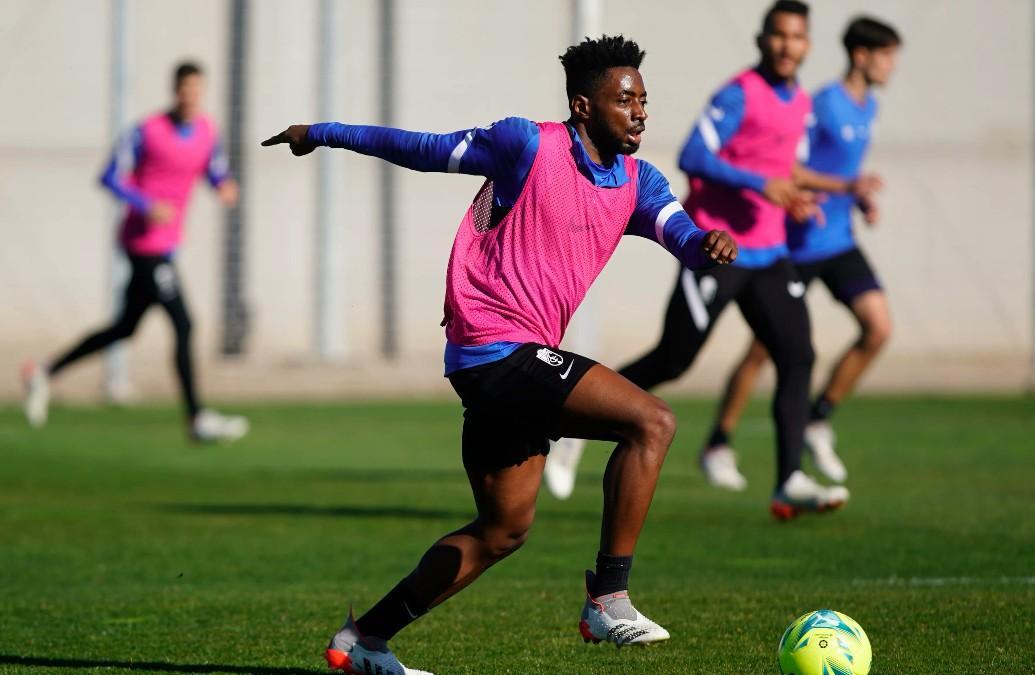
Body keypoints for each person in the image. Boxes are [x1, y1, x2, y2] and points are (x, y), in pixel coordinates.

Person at [263, 35, 737, 674]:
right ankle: (609, 596)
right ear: (583, 106)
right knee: (653, 422)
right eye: (626, 100)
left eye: (645, 100)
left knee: (503, 530)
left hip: (507, 366)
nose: (641, 112)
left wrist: (705, 243)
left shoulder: (638, 181)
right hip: (495, 348)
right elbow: (424, 149)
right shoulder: (527, 145)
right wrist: (323, 132)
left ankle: (363, 640)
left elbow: (677, 233)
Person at [544, 1, 877, 520]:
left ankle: (789, 478)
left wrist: (820, 191)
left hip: (769, 253)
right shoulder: (738, 93)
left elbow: (782, 166)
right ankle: (570, 427)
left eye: (798, 37)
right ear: (763, 39)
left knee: (797, 354)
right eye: (780, 35)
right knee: (674, 359)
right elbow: (694, 156)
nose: (789, 45)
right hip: (718, 251)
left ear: (809, 45)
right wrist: (758, 183)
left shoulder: (797, 104)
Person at [703, 16, 902, 487]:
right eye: (887, 55)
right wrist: (826, 190)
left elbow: (841, 172)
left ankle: (819, 416)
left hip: (838, 241)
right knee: (765, 351)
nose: (893, 66)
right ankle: (719, 442)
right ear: (861, 55)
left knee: (878, 327)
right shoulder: (823, 106)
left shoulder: (868, 106)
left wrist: (858, 198)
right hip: (796, 242)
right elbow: (788, 167)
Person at [20, 61, 248, 443]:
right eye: (185, 90)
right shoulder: (146, 132)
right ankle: (196, 419)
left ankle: (43, 371)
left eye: (197, 90)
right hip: (142, 245)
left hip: (168, 247)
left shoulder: (208, 132)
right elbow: (110, 176)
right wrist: (146, 205)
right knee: (184, 323)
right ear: (175, 90)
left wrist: (225, 187)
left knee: (124, 328)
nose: (191, 97)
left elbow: (215, 171)